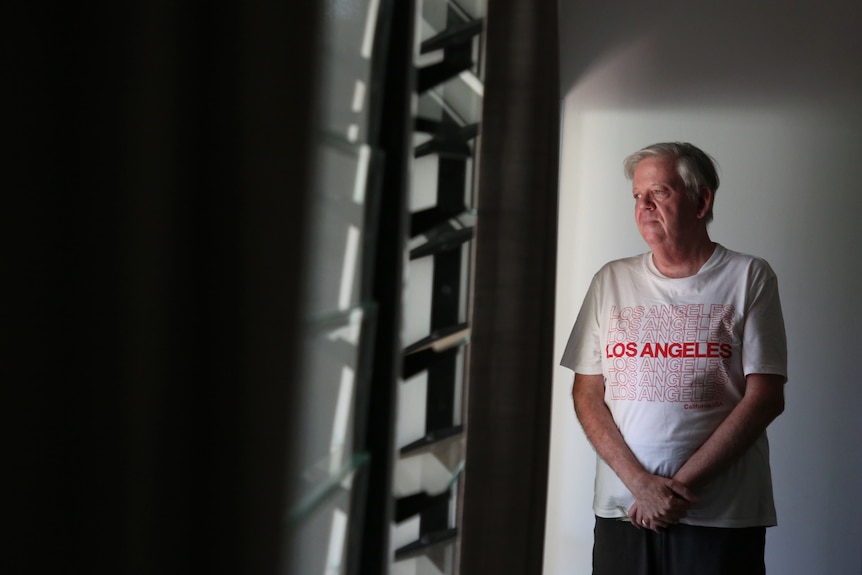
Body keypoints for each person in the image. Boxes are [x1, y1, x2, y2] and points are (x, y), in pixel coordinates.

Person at [560, 142, 787, 575]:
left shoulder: (749, 276)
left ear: (701, 201)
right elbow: (587, 392)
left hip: (719, 513)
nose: (643, 206)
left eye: (659, 192)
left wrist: (674, 492)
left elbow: (765, 397)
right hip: (623, 510)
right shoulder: (610, 280)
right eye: (637, 197)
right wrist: (640, 486)